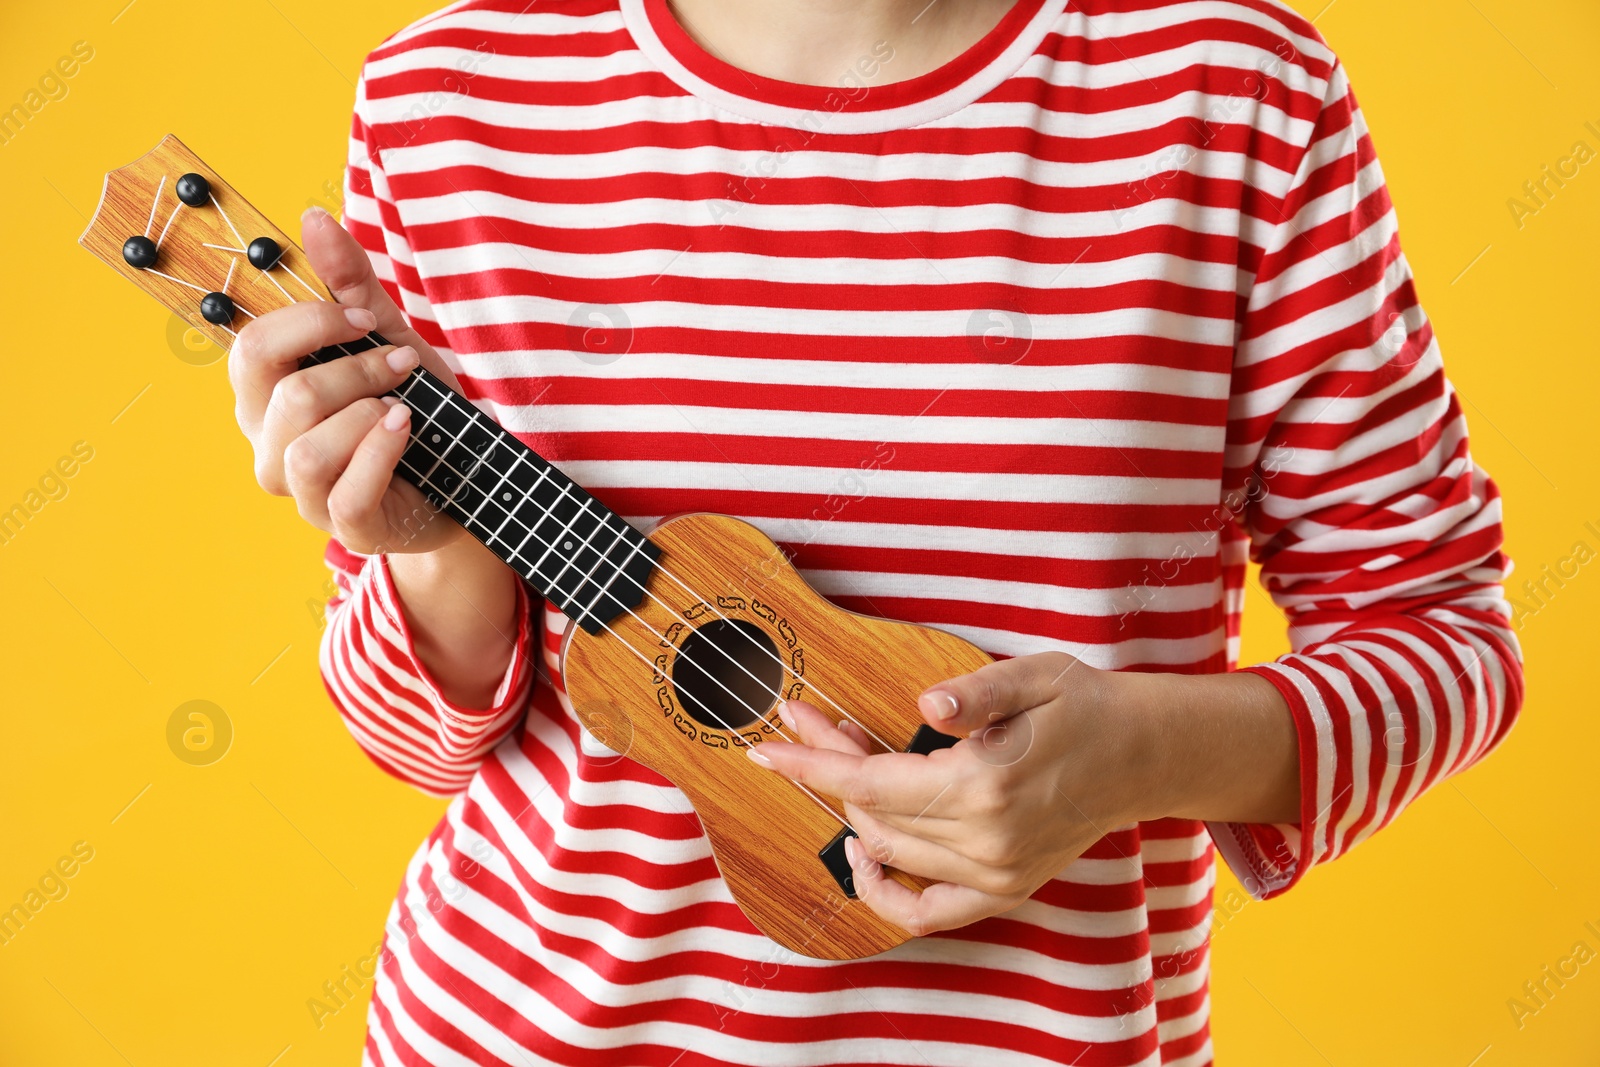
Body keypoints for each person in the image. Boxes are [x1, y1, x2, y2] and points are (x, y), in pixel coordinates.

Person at [227, 0, 1524, 1062]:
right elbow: (406, 735)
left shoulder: (1229, 96)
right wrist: (434, 544)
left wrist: (1137, 754)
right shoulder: (454, 97)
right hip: (514, 1030)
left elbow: (1448, 639)